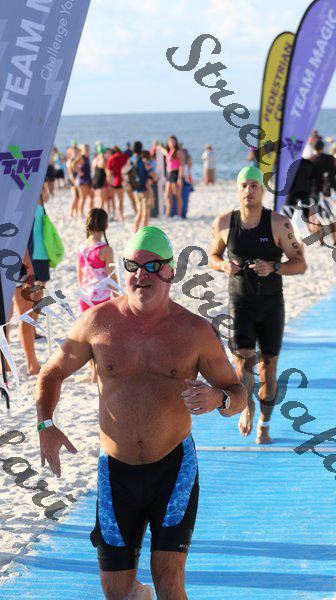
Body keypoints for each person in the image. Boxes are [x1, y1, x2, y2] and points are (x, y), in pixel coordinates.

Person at [35, 225, 246, 599]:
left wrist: (219, 400)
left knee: (170, 583)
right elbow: (51, 372)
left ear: (171, 272)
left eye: (152, 266)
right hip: (116, 474)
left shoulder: (195, 331)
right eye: (133, 265)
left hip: (173, 470)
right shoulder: (97, 322)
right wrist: (46, 424)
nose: (141, 274)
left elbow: (238, 394)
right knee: (117, 593)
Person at [209, 166, 307, 445]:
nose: (248, 191)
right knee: (242, 363)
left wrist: (274, 267)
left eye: (254, 185)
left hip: (271, 306)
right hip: (240, 304)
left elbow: (299, 263)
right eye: (244, 185)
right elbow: (213, 256)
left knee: (269, 367)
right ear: (237, 189)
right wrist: (223, 265)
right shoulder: (224, 223)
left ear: (262, 190)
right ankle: (247, 408)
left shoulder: (279, 223)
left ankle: (265, 424)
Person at [13, 183, 51, 375]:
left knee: (8, 317)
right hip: (21, 267)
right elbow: (20, 244)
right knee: (25, 316)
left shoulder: (8, 208)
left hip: (5, 264)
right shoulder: (23, 211)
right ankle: (32, 364)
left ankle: (6, 362)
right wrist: (29, 270)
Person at [77, 208, 117, 382]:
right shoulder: (106, 250)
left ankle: (92, 370)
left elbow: (79, 277)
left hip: (84, 294)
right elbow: (110, 275)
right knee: (100, 334)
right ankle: (97, 372)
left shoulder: (82, 247)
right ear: (105, 226)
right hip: (100, 295)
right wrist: (118, 294)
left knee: (89, 333)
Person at [126, 141, 155, 232]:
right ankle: (144, 234)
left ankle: (135, 232)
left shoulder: (131, 159)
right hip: (145, 189)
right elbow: (151, 172)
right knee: (146, 214)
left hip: (135, 189)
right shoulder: (142, 160)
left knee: (139, 213)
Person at [159, 136, 184, 216]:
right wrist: (158, 146)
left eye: (173, 141)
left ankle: (179, 214)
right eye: (170, 142)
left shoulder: (178, 152)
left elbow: (181, 165)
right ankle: (168, 214)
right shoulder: (169, 152)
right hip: (169, 175)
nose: (171, 143)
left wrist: (179, 178)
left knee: (177, 195)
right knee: (167, 196)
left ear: (176, 142)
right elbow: (163, 151)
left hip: (175, 174)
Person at [106, 146, 129, 222]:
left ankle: (113, 214)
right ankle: (121, 216)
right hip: (122, 180)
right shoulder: (125, 156)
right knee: (120, 200)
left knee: (111, 199)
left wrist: (109, 184)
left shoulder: (111, 158)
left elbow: (109, 173)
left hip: (113, 181)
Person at [73, 144, 94, 218]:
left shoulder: (87, 157)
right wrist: (79, 172)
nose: (87, 150)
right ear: (82, 150)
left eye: (88, 149)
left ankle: (91, 213)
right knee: (83, 198)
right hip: (82, 180)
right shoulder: (82, 157)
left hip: (88, 179)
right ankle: (80, 214)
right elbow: (73, 164)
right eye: (85, 149)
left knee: (91, 196)